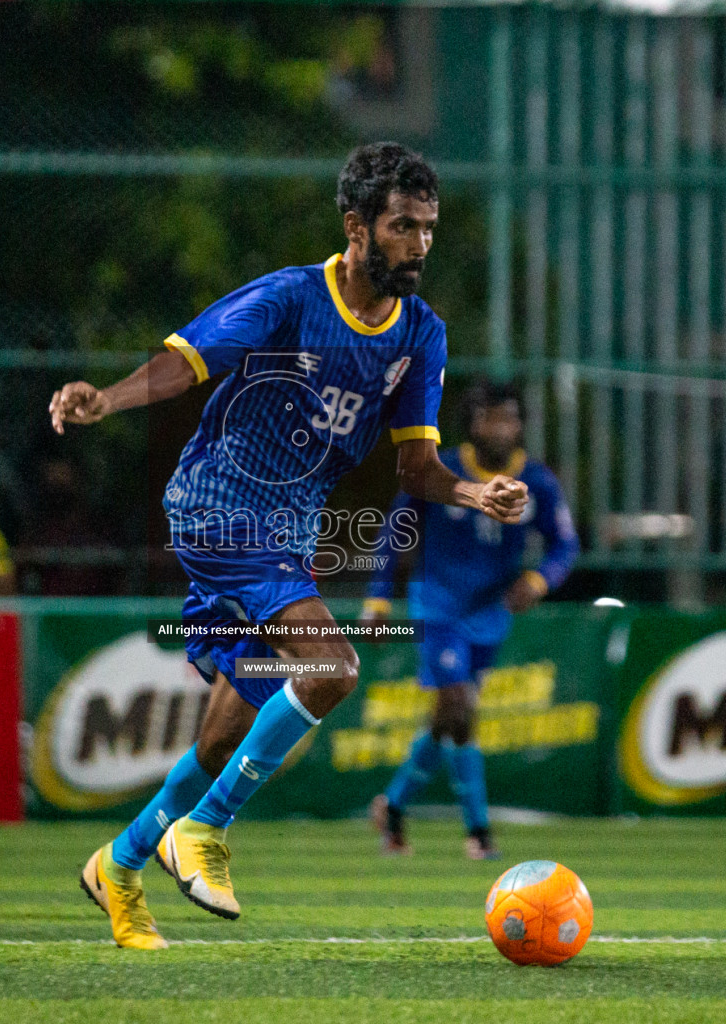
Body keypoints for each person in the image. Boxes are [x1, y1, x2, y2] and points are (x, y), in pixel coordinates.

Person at [48, 142, 529, 950]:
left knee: (226, 732)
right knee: (331, 667)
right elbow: (187, 360)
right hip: (218, 508)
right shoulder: (290, 297)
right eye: (402, 226)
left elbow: (417, 467)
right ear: (357, 226)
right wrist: (109, 400)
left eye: (428, 228)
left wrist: (474, 490)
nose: (418, 243)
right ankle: (203, 830)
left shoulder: (421, 334)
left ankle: (121, 864)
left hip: (286, 535)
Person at [362, 379, 579, 860]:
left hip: (490, 614)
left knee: (445, 720)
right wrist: (377, 601)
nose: (501, 428)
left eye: (509, 418)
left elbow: (566, 545)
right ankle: (479, 833)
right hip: (436, 605)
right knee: (460, 710)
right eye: (490, 417)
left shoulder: (537, 482)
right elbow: (396, 529)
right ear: (472, 423)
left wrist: (539, 580)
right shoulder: (443, 472)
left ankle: (394, 807)